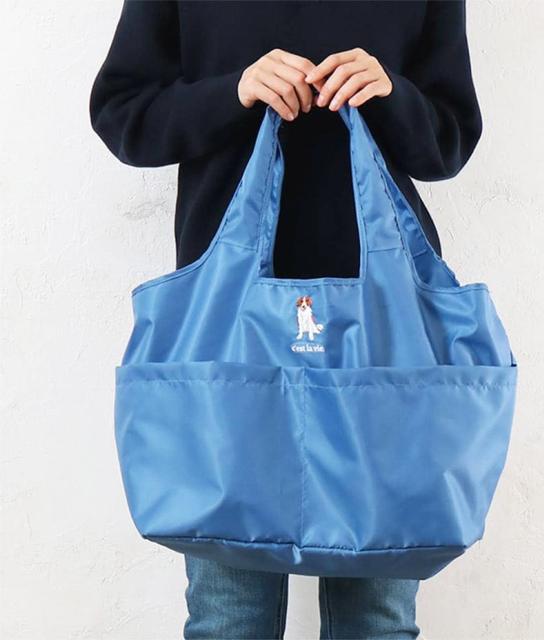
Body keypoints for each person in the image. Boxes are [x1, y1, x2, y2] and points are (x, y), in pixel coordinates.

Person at [90, 1, 482, 637]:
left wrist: (390, 93)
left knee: (376, 620)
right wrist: (234, 93)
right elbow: (122, 114)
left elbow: (449, 139)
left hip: (382, 330)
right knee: (228, 617)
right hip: (225, 323)